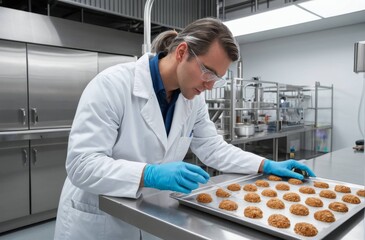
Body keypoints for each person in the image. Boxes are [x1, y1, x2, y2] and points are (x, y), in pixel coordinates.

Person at [54, 17, 315, 240]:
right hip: (98, 219)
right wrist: (150, 174)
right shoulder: (112, 85)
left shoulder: (193, 99)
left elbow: (212, 148)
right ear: (181, 53)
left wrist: (265, 165)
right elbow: (82, 165)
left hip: (148, 215)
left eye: (217, 78)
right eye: (207, 72)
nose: (210, 85)